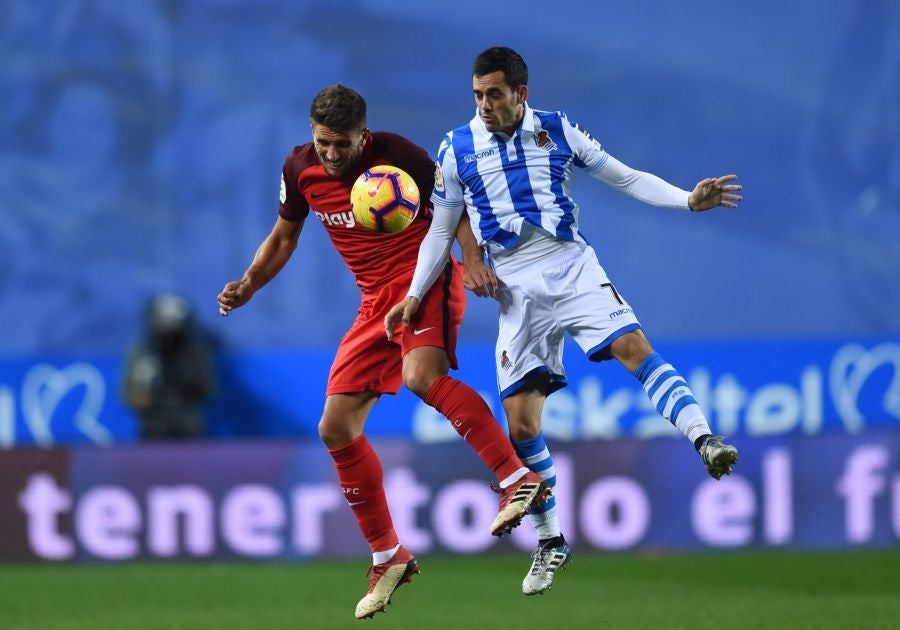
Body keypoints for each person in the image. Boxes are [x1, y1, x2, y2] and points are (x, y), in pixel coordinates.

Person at [385, 47, 742, 597]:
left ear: (520, 94)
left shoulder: (558, 130)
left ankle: (704, 439)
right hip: (513, 289)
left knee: (633, 349)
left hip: (570, 266)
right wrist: (415, 294)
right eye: (478, 94)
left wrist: (686, 201)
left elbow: (624, 178)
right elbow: (442, 226)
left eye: (495, 94)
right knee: (522, 424)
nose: (484, 104)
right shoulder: (455, 148)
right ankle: (551, 540)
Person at [216, 84, 549, 620]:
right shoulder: (300, 169)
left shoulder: (399, 157)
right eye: (322, 142)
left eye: (341, 144)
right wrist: (250, 283)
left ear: (362, 135)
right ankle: (387, 554)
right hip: (374, 301)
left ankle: (517, 478)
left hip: (426, 277)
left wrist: (469, 255)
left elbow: (454, 206)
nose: (330, 153)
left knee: (422, 377)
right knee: (336, 426)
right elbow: (283, 237)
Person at [123, 292, 215, 439]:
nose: (167, 335)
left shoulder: (194, 354)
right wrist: (145, 386)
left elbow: (207, 390)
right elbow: (130, 397)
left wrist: (186, 382)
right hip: (153, 426)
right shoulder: (142, 354)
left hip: (187, 426)